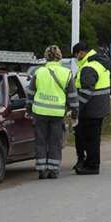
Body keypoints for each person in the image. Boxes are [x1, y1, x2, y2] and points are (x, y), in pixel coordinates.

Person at [26, 45, 77, 179]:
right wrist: (75, 113)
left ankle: (42, 170)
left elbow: (30, 93)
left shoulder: (38, 72)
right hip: (57, 114)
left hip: (40, 113)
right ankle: (53, 170)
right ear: (59, 57)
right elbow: (72, 96)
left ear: (45, 57)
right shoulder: (66, 73)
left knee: (41, 141)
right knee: (55, 142)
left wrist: (28, 110)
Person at [71, 41, 111, 175]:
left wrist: (76, 107)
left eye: (76, 55)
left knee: (90, 139)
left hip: (90, 110)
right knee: (92, 138)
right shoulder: (101, 63)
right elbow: (110, 88)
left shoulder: (88, 68)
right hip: (100, 107)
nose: (76, 58)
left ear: (81, 53)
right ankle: (89, 163)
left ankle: (92, 165)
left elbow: (86, 92)